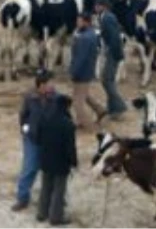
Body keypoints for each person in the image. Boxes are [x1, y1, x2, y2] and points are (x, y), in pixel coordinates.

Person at [14, 69, 57, 212]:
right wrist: (25, 129)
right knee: (29, 167)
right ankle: (22, 198)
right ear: (41, 85)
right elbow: (23, 115)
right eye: (49, 83)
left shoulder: (56, 98)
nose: (52, 86)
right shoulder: (30, 98)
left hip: (49, 141)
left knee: (50, 170)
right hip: (32, 139)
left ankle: (50, 200)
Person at [34, 94, 77, 226]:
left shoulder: (45, 118)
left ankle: (42, 213)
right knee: (59, 189)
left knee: (46, 186)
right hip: (61, 162)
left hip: (46, 159)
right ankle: (55, 217)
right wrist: (74, 161)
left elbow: (37, 138)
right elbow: (70, 147)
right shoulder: (68, 124)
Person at [68, 12, 106, 127]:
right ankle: (100, 109)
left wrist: (73, 71)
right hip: (87, 70)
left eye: (79, 21)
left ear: (86, 22)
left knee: (77, 100)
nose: (77, 23)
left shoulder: (84, 38)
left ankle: (83, 122)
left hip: (82, 72)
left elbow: (80, 57)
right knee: (84, 94)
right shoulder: (90, 34)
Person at [95, 0, 126, 119]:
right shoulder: (106, 17)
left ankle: (118, 107)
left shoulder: (107, 18)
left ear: (103, 6)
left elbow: (114, 37)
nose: (95, 7)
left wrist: (112, 53)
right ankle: (113, 108)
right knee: (108, 80)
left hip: (112, 53)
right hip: (111, 52)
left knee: (107, 80)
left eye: (97, 5)